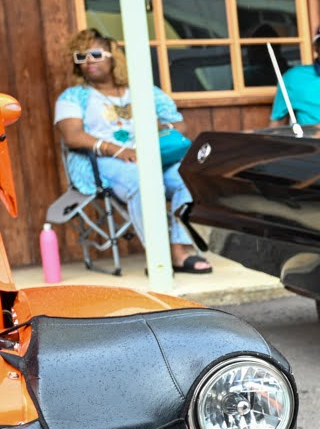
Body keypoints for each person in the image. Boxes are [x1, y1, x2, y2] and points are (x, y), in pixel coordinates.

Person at [52, 29, 211, 273]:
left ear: (113, 56)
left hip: (153, 157)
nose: (88, 62)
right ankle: (157, 256)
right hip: (106, 163)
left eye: (95, 54)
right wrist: (117, 150)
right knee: (143, 180)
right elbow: (73, 136)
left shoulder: (142, 91)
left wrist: (159, 129)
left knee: (185, 178)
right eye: (81, 57)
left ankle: (179, 251)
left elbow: (179, 124)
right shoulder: (73, 96)